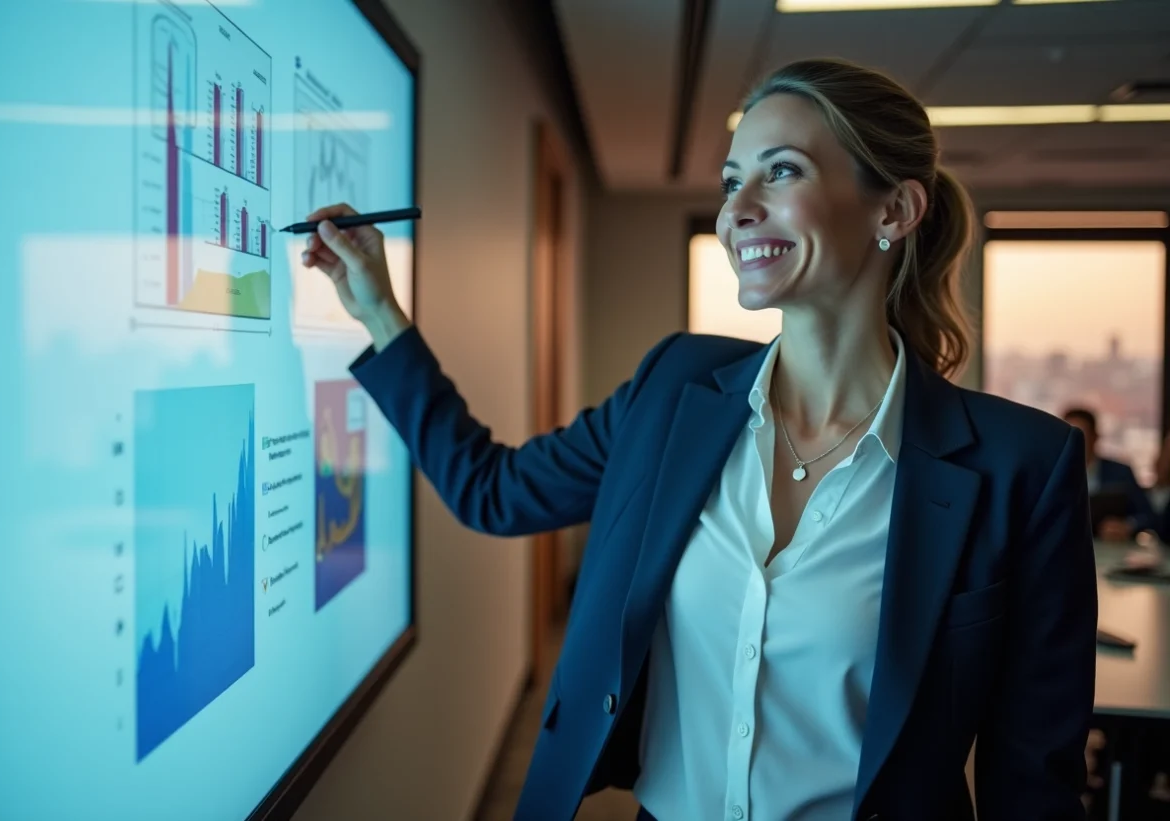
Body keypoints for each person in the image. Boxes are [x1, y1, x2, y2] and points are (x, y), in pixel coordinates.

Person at [302, 57, 1097, 821]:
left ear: (893, 211)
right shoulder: (673, 389)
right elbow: (493, 491)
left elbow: (1033, 782)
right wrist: (378, 309)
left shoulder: (1020, 467)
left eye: (781, 172)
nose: (736, 209)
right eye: (730, 180)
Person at [1062, 407, 1157, 540]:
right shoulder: (1053, 475)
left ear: (1095, 437)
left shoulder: (1120, 473)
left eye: (1080, 437)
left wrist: (1127, 526)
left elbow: (1148, 515)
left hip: (1110, 547)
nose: (1073, 444)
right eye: (1067, 437)